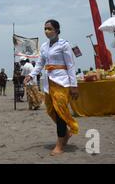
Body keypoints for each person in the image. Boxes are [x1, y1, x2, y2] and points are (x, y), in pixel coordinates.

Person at [25, 19, 79, 156]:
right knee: (51, 110)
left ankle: (59, 144)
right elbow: (39, 63)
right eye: (45, 29)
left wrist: (74, 85)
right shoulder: (44, 46)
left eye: (49, 28)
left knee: (60, 111)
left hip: (62, 82)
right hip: (48, 82)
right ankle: (65, 133)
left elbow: (71, 65)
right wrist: (31, 75)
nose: (46, 31)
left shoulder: (64, 45)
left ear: (57, 30)